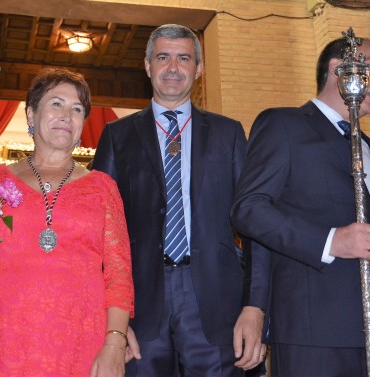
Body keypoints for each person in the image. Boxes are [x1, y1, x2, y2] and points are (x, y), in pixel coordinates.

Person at [231, 35, 370, 375]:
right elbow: (250, 209)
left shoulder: (369, 147)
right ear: (337, 70)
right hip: (317, 325)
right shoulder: (284, 124)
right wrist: (330, 241)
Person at [92, 24, 269, 376]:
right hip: (139, 304)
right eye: (163, 57)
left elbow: (256, 224)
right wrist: (111, 321)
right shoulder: (117, 136)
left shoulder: (228, 133)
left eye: (184, 58)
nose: (173, 67)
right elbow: (98, 229)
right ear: (147, 65)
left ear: (199, 69)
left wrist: (255, 307)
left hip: (217, 301)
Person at [0, 68, 134, 376]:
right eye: (56, 103)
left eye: (77, 109)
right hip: (3, 337)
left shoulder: (103, 188)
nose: (66, 114)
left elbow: (119, 277)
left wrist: (114, 343)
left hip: (81, 340)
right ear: (31, 114)